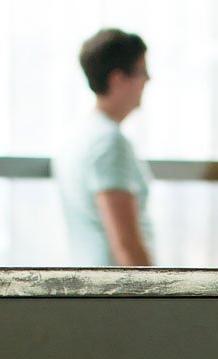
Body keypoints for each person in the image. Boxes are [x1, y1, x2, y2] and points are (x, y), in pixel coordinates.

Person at [56, 29, 154, 266]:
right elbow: (125, 243)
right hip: (117, 294)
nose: (148, 80)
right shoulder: (109, 144)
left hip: (92, 287)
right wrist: (157, 299)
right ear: (118, 79)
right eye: (142, 72)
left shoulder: (77, 136)